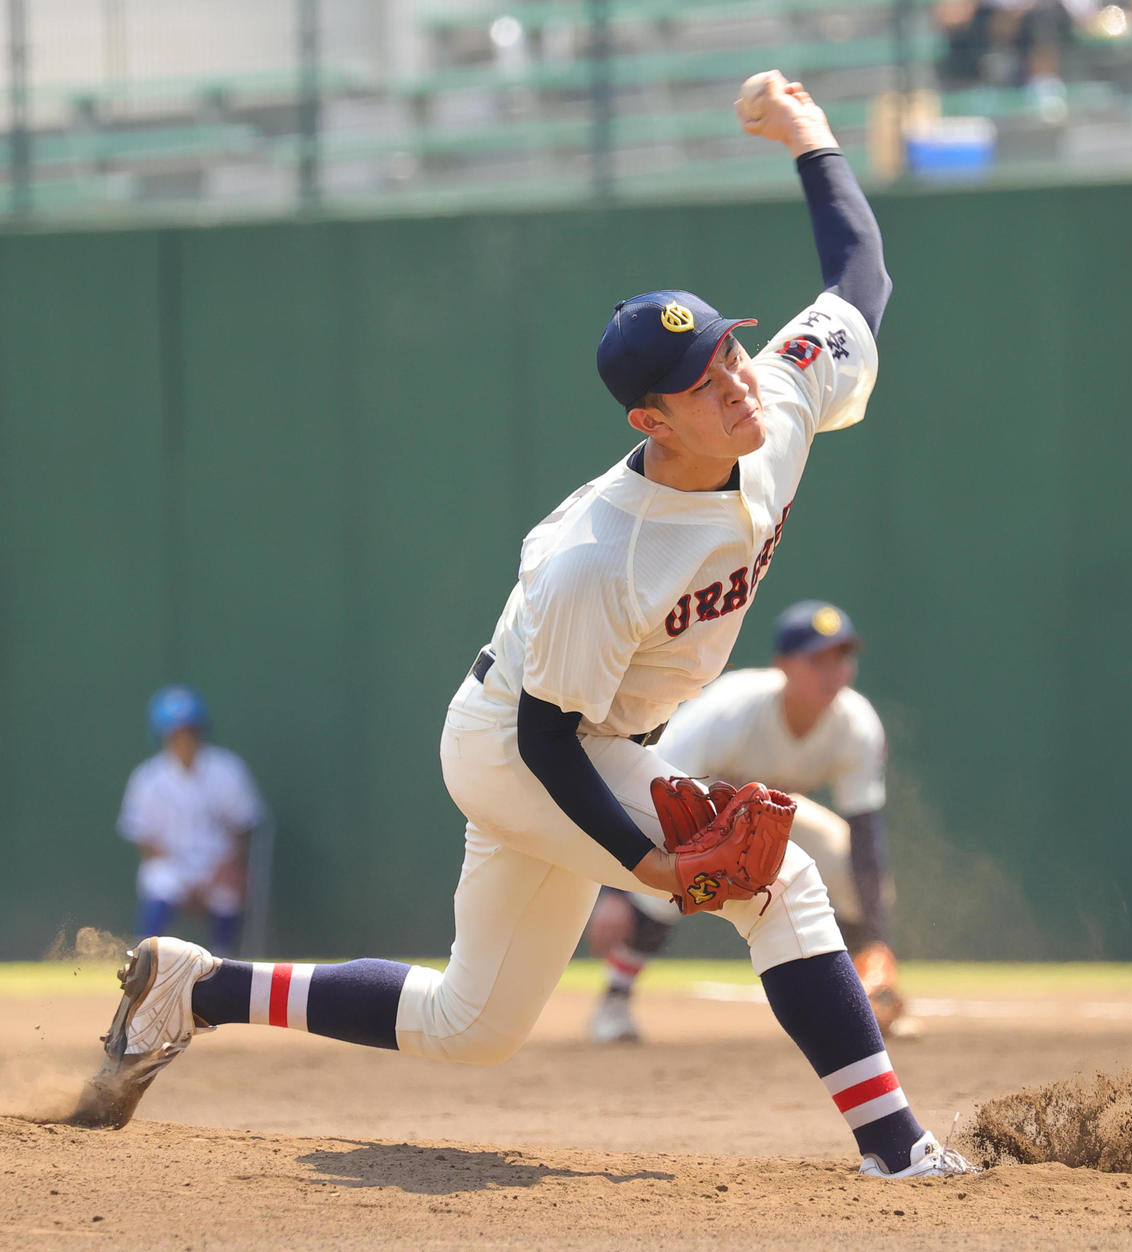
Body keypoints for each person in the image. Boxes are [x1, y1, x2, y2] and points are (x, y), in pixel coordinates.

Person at [80, 71, 976, 1180]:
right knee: (776, 882)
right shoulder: (599, 555)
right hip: (520, 743)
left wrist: (809, 133)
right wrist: (648, 862)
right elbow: (547, 741)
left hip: (591, 737)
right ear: (650, 418)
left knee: (474, 1023)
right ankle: (897, 1148)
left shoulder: (777, 401)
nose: (735, 382)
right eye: (702, 382)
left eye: (729, 350)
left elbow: (859, 277)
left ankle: (196, 987)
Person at [586, 599, 909, 1045]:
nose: (832, 672)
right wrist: (615, 892)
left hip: (774, 808)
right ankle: (615, 999)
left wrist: (877, 938)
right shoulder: (731, 712)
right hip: (692, 801)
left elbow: (865, 831)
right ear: (783, 666)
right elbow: (646, 786)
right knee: (668, 882)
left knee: (843, 860)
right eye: (817, 659)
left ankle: (868, 994)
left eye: (842, 657)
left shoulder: (856, 724)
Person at [117, 685, 266, 958]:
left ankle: (223, 960)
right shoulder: (148, 777)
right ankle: (146, 959)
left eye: (190, 731)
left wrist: (226, 867)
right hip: (172, 865)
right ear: (163, 736)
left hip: (217, 863)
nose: (184, 739)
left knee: (228, 890)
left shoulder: (227, 769)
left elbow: (243, 828)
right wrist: (187, 882)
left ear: (201, 731)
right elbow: (145, 841)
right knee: (158, 880)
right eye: (176, 733)